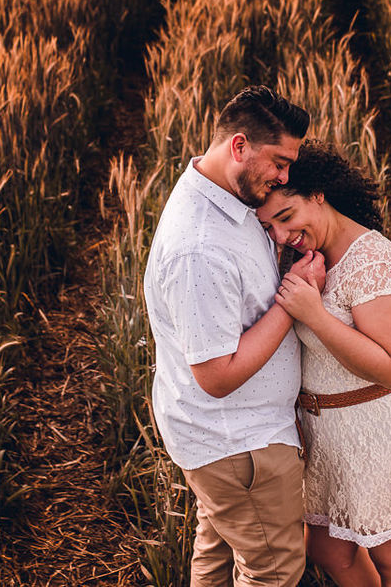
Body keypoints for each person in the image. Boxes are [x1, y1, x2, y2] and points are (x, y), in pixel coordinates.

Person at [143, 85, 324, 587]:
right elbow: (217, 376)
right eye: (280, 162)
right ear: (239, 146)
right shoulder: (200, 247)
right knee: (273, 571)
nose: (286, 177)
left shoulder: (226, 194)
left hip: (227, 437)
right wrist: (296, 300)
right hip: (238, 443)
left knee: (218, 557)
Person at [257, 140, 391, 587]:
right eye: (271, 227)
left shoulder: (374, 260)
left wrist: (315, 315)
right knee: (324, 548)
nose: (283, 236)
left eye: (287, 218)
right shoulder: (309, 258)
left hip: (383, 431)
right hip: (330, 438)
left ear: (318, 195)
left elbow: (388, 365)